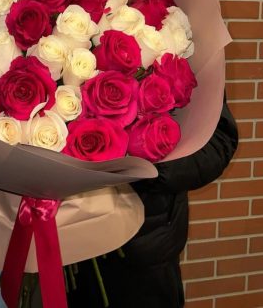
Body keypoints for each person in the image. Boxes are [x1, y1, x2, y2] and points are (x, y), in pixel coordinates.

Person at [66, 95, 238, 308]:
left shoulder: (194, 72)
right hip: (54, 243)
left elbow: (217, 143)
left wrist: (146, 161)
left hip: (143, 252)